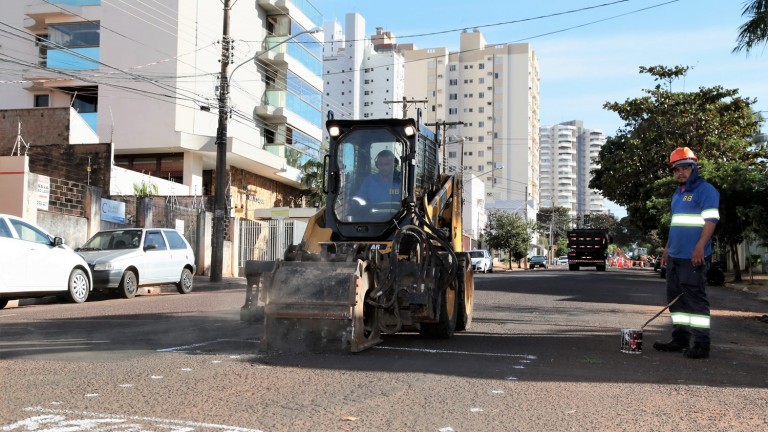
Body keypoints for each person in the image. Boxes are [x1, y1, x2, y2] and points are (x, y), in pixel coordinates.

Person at [653, 147, 720, 359]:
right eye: (676, 169)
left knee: (695, 300)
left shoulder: (705, 190)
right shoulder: (677, 194)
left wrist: (700, 246)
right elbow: (676, 225)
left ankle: (701, 345)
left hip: (694, 257)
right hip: (675, 256)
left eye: (685, 168)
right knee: (675, 300)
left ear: (694, 168)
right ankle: (680, 339)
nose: (680, 173)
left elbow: (711, 221)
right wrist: (666, 250)